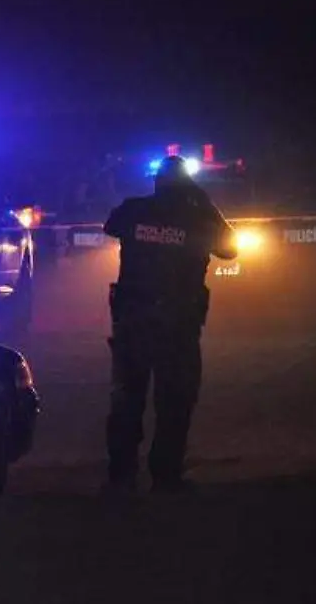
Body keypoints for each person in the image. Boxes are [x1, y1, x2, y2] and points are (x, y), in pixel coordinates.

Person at [101, 155, 237, 494]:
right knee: (175, 402)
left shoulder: (134, 210)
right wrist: (203, 199)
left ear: (157, 181)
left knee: (127, 401)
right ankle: (166, 477)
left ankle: (121, 477)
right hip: (178, 325)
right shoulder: (198, 218)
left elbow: (110, 225)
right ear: (187, 185)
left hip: (133, 321)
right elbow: (230, 248)